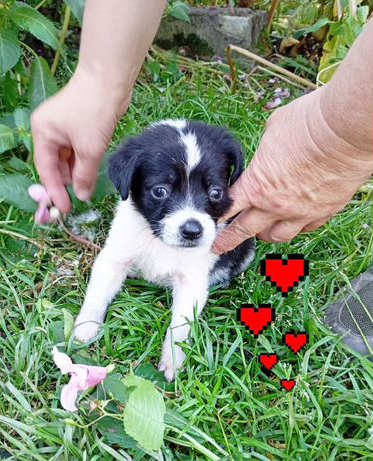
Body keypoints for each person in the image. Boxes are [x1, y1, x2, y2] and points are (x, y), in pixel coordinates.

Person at [31, 2, 373, 355]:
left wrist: (336, 140)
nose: (192, 219)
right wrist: (95, 79)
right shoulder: (132, 205)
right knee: (118, 261)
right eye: (161, 190)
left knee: (197, 273)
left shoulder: (213, 228)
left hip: (212, 269)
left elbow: (191, 284)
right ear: (128, 181)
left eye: (212, 191)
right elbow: (112, 261)